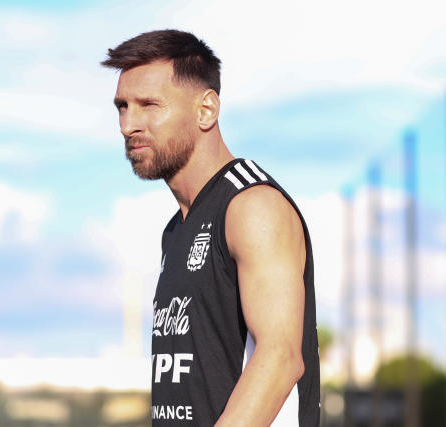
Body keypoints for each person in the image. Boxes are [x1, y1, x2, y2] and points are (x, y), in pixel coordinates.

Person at [101, 29, 320, 426]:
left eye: (149, 105)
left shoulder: (252, 206)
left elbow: (281, 357)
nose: (128, 124)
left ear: (206, 110)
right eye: (122, 107)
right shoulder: (176, 230)